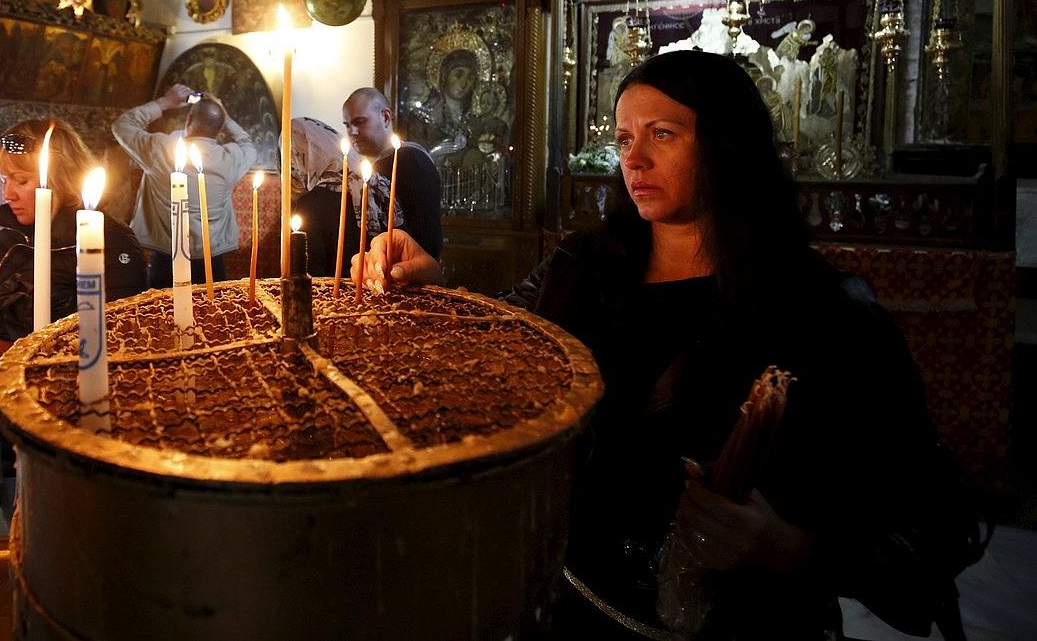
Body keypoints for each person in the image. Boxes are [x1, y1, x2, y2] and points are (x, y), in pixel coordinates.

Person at [356, 51, 977, 639]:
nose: (635, 160)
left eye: (663, 134)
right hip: (571, 606)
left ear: (728, 144)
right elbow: (497, 346)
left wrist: (786, 546)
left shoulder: (823, 313)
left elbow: (933, 527)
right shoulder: (581, 269)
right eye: (625, 139)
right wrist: (430, 286)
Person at [0, 119, 146, 528]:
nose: (7, 193)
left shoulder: (109, 243)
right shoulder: (11, 238)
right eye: (2, 179)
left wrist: (8, 355)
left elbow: (118, 342)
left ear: (59, 177)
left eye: (20, 180)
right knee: (18, 525)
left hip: (72, 424)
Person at [112, 83, 257, 287]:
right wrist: (227, 117)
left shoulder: (160, 149)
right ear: (220, 128)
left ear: (188, 119)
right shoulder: (231, 158)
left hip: (166, 256)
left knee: (163, 313)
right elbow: (248, 144)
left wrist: (165, 102)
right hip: (211, 258)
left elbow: (122, 126)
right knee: (213, 313)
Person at [341, 87, 443, 259]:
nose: (353, 132)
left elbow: (427, 238)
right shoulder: (368, 163)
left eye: (360, 122)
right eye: (348, 125)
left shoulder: (411, 160)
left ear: (385, 117)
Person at [289, 116, 356, 277]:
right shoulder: (375, 183)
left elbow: (308, 275)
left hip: (335, 298)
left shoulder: (310, 205)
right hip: (382, 292)